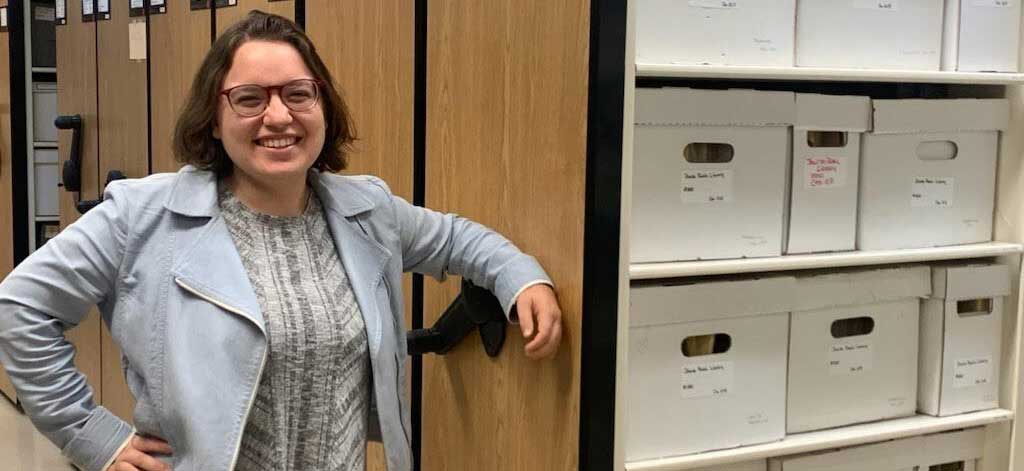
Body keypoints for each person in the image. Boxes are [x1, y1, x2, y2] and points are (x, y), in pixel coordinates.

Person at [0, 10, 562, 471]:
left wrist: (520, 277)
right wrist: (94, 437)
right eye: (249, 98)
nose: (278, 116)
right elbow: (20, 307)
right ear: (214, 117)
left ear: (322, 107)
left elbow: (456, 240)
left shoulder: (365, 211)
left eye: (298, 94)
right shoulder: (144, 216)